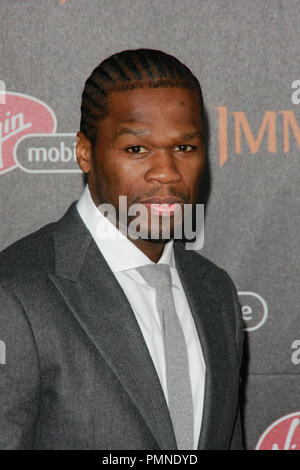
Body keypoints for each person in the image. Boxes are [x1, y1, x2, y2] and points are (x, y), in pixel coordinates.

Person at [0, 49, 244, 450]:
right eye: (136, 149)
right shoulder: (16, 293)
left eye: (185, 148)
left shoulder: (215, 291)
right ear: (85, 153)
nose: (166, 171)